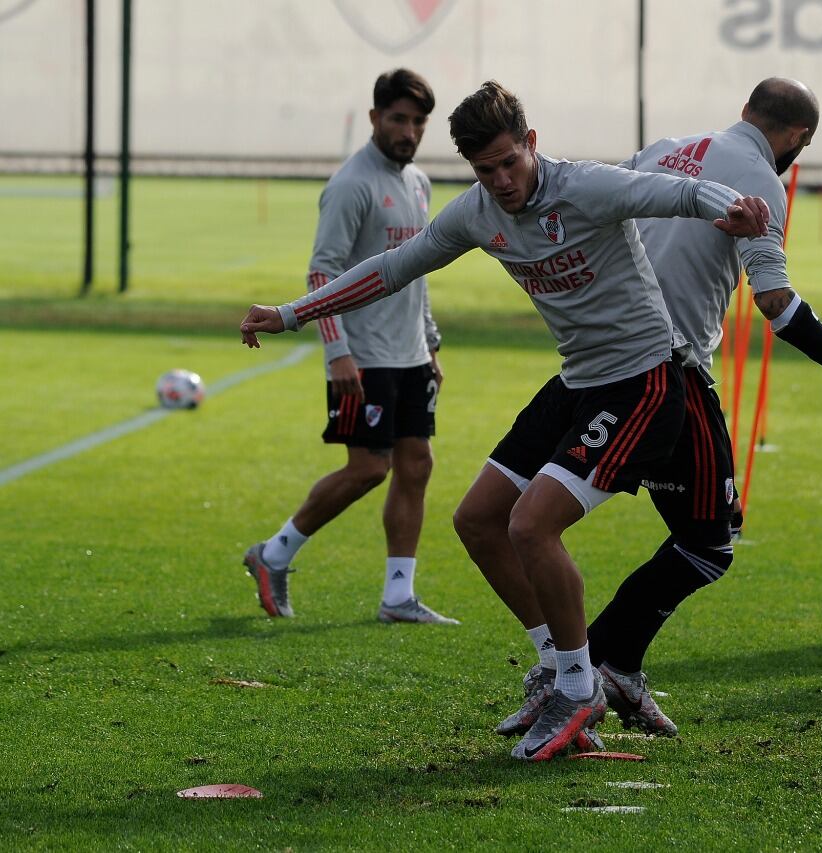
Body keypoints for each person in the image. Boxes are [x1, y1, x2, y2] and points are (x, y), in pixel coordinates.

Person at [238, 81, 771, 759]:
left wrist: (737, 207)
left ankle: (581, 688)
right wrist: (290, 313)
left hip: (642, 381)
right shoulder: (478, 213)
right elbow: (391, 268)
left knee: (531, 523)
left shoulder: (587, 187)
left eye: (509, 163)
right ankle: (557, 665)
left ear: (532, 144)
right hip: (578, 381)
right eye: (484, 170)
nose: (501, 181)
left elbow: (677, 192)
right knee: (478, 519)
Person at [489, 78, 822, 739]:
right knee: (709, 543)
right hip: (667, 375)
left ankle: (602, 665)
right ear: (798, 140)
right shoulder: (761, 176)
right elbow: (776, 303)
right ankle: (586, 669)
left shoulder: (663, 149)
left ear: (745, 113)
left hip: (598, 360)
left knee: (695, 525)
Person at [241, 69, 456, 625]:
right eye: (398, 119)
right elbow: (322, 273)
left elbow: (417, 272)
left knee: (416, 463)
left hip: (409, 354)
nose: (408, 131)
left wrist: (430, 343)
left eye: (418, 122)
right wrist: (337, 351)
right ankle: (273, 554)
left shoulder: (418, 182)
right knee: (368, 468)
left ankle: (398, 596)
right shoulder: (351, 184)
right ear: (374, 119)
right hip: (364, 355)